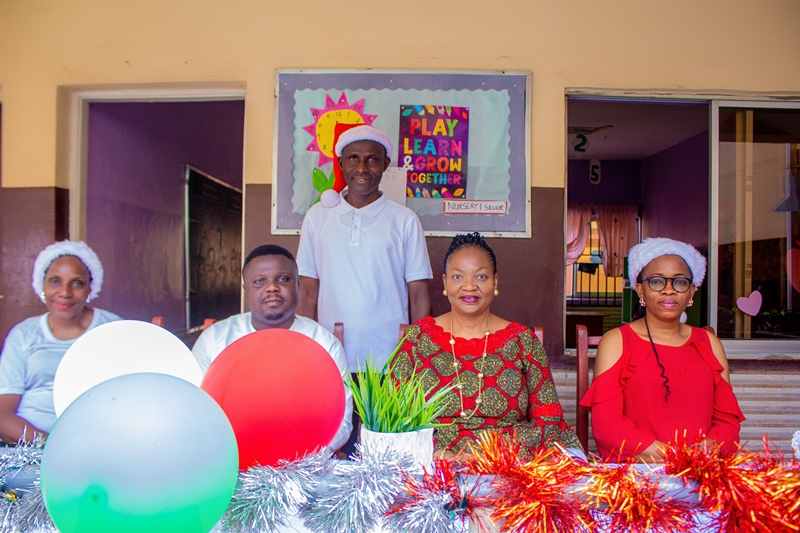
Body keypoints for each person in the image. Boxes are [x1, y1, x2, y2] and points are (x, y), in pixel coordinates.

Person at [393, 232, 582, 459]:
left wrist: (493, 455)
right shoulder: (417, 339)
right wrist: (436, 452)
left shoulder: (522, 341)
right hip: (434, 463)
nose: (469, 286)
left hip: (510, 463)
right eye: (457, 277)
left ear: (495, 282)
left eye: (481, 277)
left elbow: (548, 419)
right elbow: (391, 418)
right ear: (445, 282)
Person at [579, 237, 745, 462]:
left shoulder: (709, 343)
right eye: (657, 281)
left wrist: (703, 451)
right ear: (640, 290)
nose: (669, 290)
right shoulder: (616, 341)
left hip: (701, 468)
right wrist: (672, 456)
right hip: (639, 472)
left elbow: (728, 422)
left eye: (680, 282)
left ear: (692, 292)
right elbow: (607, 425)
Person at [296, 124, 433, 372]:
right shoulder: (317, 217)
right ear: (341, 163)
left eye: (372, 160)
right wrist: (303, 346)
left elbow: (419, 296)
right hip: (332, 352)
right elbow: (307, 292)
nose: (361, 168)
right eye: (353, 159)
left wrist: (415, 353)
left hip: (390, 356)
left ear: (385, 164)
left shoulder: (405, 220)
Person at [192, 244, 353, 454]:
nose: (272, 288)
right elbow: (195, 410)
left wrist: (301, 459)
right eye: (260, 281)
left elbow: (342, 420)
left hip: (306, 461)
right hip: (231, 458)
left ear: (297, 286)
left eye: (283, 279)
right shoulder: (214, 339)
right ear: (246, 290)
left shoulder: (324, 343)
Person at [0, 241, 121, 444]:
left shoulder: (113, 329)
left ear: (90, 288)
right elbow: (3, 415)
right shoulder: (23, 334)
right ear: (42, 285)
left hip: (95, 445)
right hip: (29, 447)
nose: (65, 292)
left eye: (77, 283)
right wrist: (50, 445)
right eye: (55, 281)